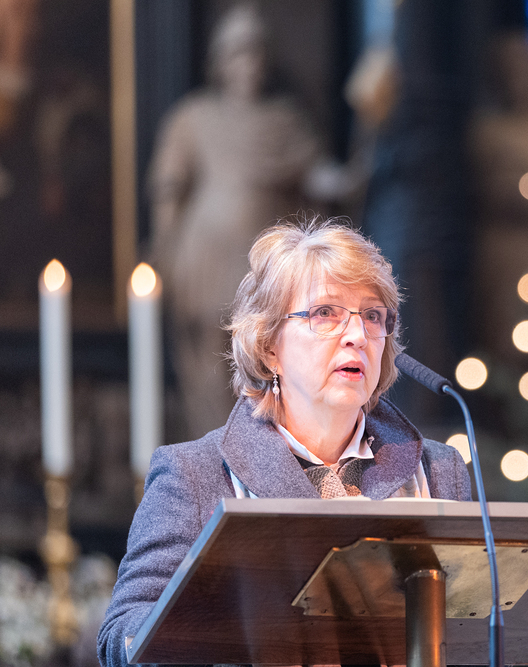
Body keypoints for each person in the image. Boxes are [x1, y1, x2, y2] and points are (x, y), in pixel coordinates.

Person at [97, 216, 472, 667]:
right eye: (326, 313)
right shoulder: (193, 475)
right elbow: (121, 637)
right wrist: (230, 619)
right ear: (268, 346)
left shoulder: (437, 471)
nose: (357, 336)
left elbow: (478, 625)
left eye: (373, 316)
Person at [150, 4, 321, 437]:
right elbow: (168, 189)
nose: (250, 64)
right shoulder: (194, 117)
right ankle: (214, 454)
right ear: (220, 61)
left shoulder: (284, 121)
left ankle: (254, 457)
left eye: (257, 52)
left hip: (262, 265)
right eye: (239, 53)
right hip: (204, 258)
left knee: (264, 359)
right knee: (209, 363)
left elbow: (320, 179)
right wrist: (165, 250)